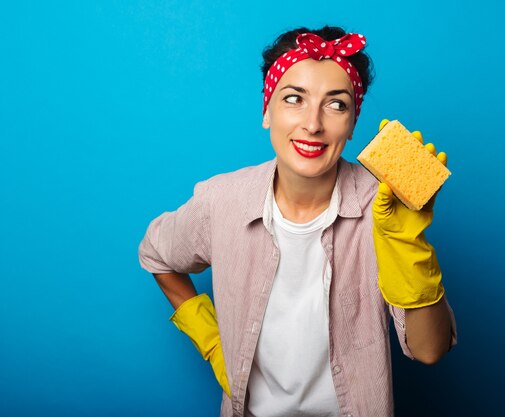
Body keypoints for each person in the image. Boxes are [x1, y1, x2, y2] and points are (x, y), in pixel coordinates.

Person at [139, 25, 457, 417]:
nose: (313, 124)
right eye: (294, 99)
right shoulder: (220, 201)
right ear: (266, 111)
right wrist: (211, 340)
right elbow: (156, 255)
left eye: (336, 104)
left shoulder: (385, 206)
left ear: (353, 123)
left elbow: (430, 350)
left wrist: (408, 244)